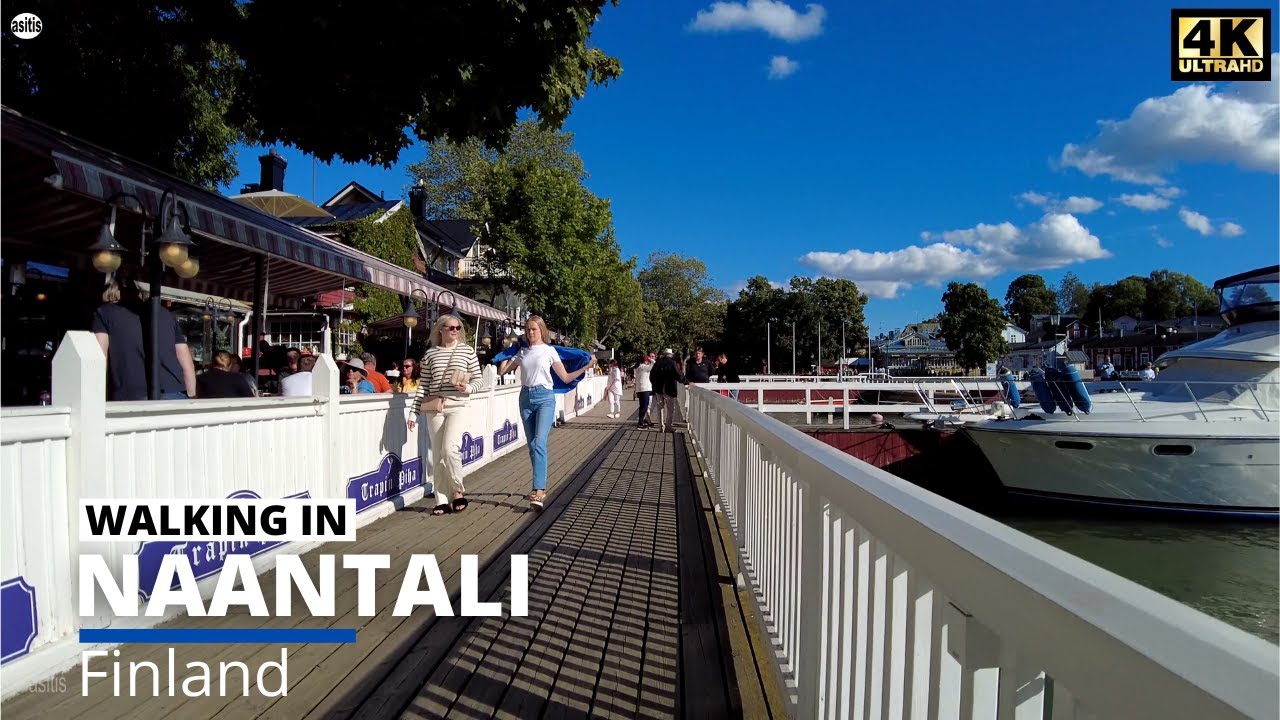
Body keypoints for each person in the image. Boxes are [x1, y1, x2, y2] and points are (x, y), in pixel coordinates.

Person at [497, 315, 593, 509]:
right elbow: (502, 372)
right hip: (525, 398)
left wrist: (586, 366)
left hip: (544, 398)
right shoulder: (522, 352)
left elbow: (565, 378)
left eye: (534, 329)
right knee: (532, 446)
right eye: (528, 329)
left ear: (542, 330)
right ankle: (539, 485)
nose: (531, 332)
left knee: (539, 442)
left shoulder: (549, 351)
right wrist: (505, 353)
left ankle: (538, 489)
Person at [408, 314, 484, 515]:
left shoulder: (467, 352)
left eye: (458, 328)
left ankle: (457, 491)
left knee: (450, 449)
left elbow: (479, 379)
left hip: (458, 405)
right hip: (434, 406)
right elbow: (423, 386)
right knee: (438, 454)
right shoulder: (431, 354)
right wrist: (413, 413)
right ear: (440, 329)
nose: (455, 331)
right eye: (450, 327)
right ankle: (441, 499)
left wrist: (467, 387)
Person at [91, 274, 147, 401]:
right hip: (154, 386)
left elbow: (100, 356)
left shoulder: (103, 313)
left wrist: (96, 392)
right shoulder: (144, 314)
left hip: (125, 388)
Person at [650, 348, 686, 432]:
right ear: (671, 355)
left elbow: (651, 375)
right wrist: (685, 381)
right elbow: (678, 375)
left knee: (660, 408)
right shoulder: (672, 363)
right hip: (669, 388)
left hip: (658, 388)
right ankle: (668, 427)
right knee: (670, 409)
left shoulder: (658, 363)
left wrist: (654, 385)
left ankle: (660, 426)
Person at [634, 351, 656, 428]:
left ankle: (642, 421)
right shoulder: (644, 367)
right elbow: (653, 364)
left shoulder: (639, 367)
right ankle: (640, 423)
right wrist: (651, 360)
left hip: (640, 389)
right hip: (645, 389)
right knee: (644, 407)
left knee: (642, 406)